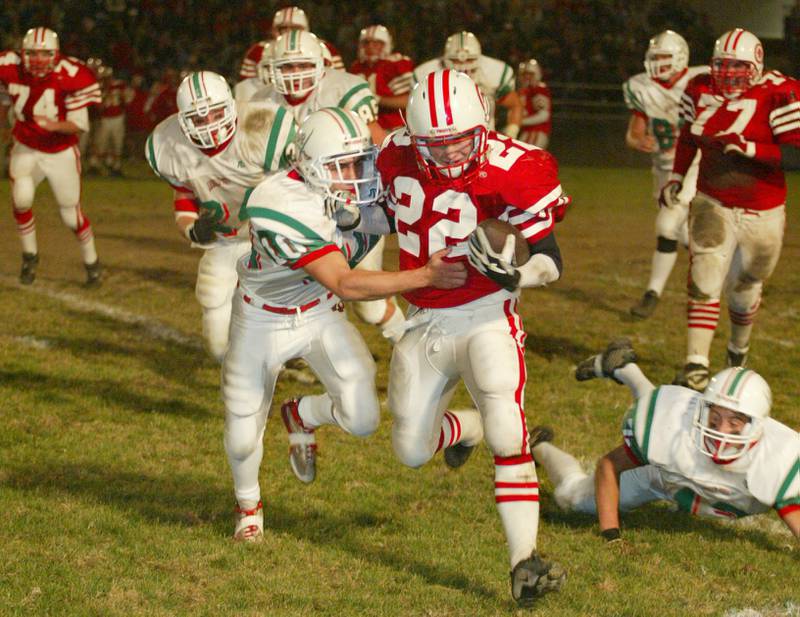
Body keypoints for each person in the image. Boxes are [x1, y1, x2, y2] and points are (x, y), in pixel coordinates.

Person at [223, 107, 466, 542]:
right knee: (242, 433)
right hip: (262, 315)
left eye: (361, 161)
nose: (357, 174)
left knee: (363, 419)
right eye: (341, 166)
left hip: (316, 309)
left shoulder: (364, 185)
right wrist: (425, 277)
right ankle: (249, 507)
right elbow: (345, 282)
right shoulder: (278, 204)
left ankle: (300, 415)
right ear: (311, 168)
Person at [373, 69, 568, 606]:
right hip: (424, 319)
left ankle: (523, 561)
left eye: (459, 139)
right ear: (415, 138)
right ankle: (467, 426)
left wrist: (517, 276)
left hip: (486, 312)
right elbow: (376, 215)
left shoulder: (516, 167)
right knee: (411, 450)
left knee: (510, 426)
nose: (448, 153)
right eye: (435, 144)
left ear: (481, 126)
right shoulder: (394, 156)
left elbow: (551, 259)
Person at [532, 339, 800, 544]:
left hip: (688, 483)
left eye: (734, 423)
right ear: (703, 410)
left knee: (668, 419)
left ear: (755, 426)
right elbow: (608, 466)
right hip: (660, 478)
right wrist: (611, 534)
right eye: (715, 418)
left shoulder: (777, 460)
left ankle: (624, 367)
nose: (720, 432)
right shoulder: (677, 431)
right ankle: (538, 445)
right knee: (573, 499)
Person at [241, 30, 406, 342]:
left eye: (302, 65)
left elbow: (379, 145)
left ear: (321, 65)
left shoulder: (343, 89)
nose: (294, 75)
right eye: (286, 67)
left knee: (365, 304)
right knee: (291, 289)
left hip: (349, 204)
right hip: (301, 208)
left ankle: (406, 342)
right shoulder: (261, 102)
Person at [663, 29, 800, 390]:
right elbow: (688, 137)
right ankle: (696, 364)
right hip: (713, 199)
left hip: (763, 209)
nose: (728, 73)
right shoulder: (699, 87)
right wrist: (677, 175)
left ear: (756, 65)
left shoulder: (781, 92)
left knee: (745, 286)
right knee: (705, 276)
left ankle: (738, 349)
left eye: (738, 66)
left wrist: (750, 149)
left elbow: (795, 154)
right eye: (722, 64)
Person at [145, 70, 296, 362]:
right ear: (182, 120)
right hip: (226, 238)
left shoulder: (262, 125)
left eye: (215, 114)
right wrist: (192, 230)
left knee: (289, 310)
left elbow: (301, 182)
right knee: (215, 318)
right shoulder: (167, 145)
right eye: (199, 120)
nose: (209, 126)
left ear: (231, 105)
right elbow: (184, 194)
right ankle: (242, 369)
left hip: (276, 234)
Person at [0, 27, 103, 287]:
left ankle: (92, 263)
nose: (37, 60)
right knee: (21, 199)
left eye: (44, 54)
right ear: (22, 53)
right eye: (32, 54)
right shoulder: (9, 66)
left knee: (71, 215)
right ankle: (30, 257)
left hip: (60, 153)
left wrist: (54, 126)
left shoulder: (73, 75)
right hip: (26, 146)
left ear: (56, 55)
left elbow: (78, 125)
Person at [625, 31, 708, 319]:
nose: (657, 63)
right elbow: (634, 132)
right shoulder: (641, 86)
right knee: (682, 232)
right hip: (662, 166)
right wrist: (638, 141)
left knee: (667, 224)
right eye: (654, 57)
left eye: (663, 57)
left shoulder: (701, 80)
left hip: (693, 162)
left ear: (680, 58)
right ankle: (723, 265)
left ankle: (652, 293)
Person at [413, 31, 523, 139]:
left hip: (485, 138)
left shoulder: (493, 72)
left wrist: (511, 134)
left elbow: (514, 105)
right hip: (440, 141)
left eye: (470, 59)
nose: (463, 65)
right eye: (455, 60)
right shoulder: (426, 74)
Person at [238, 5, 344, 83]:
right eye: (283, 28)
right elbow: (248, 87)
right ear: (274, 30)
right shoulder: (257, 51)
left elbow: (337, 81)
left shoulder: (325, 48)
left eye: (294, 28)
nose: (289, 32)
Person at [348, 25, 414, 132]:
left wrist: (377, 99)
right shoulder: (356, 67)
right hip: (364, 128)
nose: (370, 47)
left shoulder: (395, 64)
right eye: (366, 43)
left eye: (376, 43)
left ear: (386, 45)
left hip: (394, 128)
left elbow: (408, 100)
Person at [88, 65, 132, 176]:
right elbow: (98, 106)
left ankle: (115, 166)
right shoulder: (99, 88)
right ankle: (95, 165)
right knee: (101, 143)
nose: (105, 79)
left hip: (118, 117)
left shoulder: (119, 85)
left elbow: (127, 100)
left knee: (117, 143)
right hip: (105, 118)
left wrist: (121, 97)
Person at [516, 58, 552, 149]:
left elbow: (543, 115)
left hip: (535, 131)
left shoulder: (539, 90)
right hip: (528, 131)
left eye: (530, 74)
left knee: (525, 158)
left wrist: (519, 121)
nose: (526, 77)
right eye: (525, 74)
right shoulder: (527, 91)